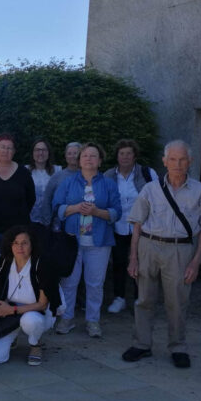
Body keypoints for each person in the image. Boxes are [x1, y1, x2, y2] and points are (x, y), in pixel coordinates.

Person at [123, 140, 201, 369]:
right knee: (144, 299)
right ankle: (142, 344)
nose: (177, 164)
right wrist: (133, 258)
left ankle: (177, 346)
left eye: (182, 159)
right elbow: (137, 224)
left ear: (190, 162)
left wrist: (196, 262)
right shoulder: (150, 188)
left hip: (180, 249)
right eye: (173, 159)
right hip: (148, 246)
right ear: (164, 161)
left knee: (177, 301)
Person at [53, 143, 121, 338]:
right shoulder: (68, 182)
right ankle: (66, 318)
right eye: (85, 156)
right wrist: (74, 208)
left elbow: (117, 212)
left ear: (100, 160)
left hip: (99, 242)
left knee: (95, 284)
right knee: (69, 282)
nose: (89, 159)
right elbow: (57, 207)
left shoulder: (109, 184)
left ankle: (93, 321)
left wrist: (97, 212)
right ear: (79, 160)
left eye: (93, 156)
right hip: (72, 240)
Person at [103, 139, 158, 314]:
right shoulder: (108, 175)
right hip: (117, 227)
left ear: (135, 155)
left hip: (142, 228)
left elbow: (157, 200)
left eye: (129, 153)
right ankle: (119, 298)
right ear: (117, 156)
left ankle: (138, 299)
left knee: (141, 265)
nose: (125, 157)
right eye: (122, 153)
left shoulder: (147, 173)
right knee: (118, 263)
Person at [0, 225, 55, 366]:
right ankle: (13, 336)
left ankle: (35, 345)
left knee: (30, 321)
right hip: (11, 313)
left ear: (32, 245)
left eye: (24, 243)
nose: (20, 247)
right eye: (15, 243)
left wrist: (11, 310)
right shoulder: (3, 261)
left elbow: (43, 304)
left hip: (38, 313)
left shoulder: (42, 264)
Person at [0, 133, 36, 252]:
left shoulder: (24, 173)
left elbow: (31, 199)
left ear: (14, 151)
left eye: (9, 148)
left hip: (20, 235)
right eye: (2, 147)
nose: (5, 150)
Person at [38, 142, 82, 232]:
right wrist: (47, 222)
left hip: (83, 225)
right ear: (65, 156)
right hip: (60, 227)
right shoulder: (57, 176)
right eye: (69, 153)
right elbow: (47, 199)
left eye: (75, 153)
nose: (72, 156)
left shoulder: (88, 175)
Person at [27, 138, 61, 228]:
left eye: (44, 150)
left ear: (48, 152)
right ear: (33, 153)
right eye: (37, 150)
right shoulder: (25, 171)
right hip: (30, 220)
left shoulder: (58, 171)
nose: (40, 153)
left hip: (52, 221)